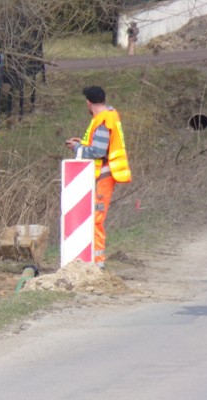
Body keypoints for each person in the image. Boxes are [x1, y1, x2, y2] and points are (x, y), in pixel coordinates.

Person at [65, 86, 131, 269]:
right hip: (103, 176)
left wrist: (77, 148)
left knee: (95, 219)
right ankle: (94, 262)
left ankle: (98, 264)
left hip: (103, 176)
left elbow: (98, 151)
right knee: (94, 218)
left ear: (88, 102)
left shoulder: (103, 120)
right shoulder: (108, 116)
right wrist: (82, 144)